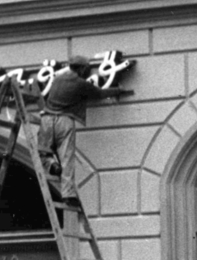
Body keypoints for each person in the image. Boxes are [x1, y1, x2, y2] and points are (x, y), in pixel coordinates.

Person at [35, 56, 128, 199]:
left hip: (47, 119)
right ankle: (68, 193)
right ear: (82, 68)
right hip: (65, 121)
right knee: (67, 158)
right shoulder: (80, 84)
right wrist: (117, 90)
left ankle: (52, 164)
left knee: (42, 151)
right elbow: (99, 94)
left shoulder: (58, 79)